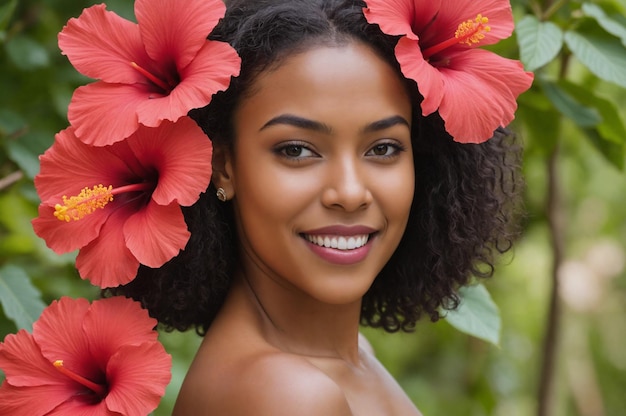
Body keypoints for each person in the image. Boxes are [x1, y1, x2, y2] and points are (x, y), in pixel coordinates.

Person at [110, 0, 525, 414]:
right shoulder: (284, 395)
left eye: (383, 148)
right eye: (297, 150)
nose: (349, 192)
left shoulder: (347, 357)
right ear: (222, 166)